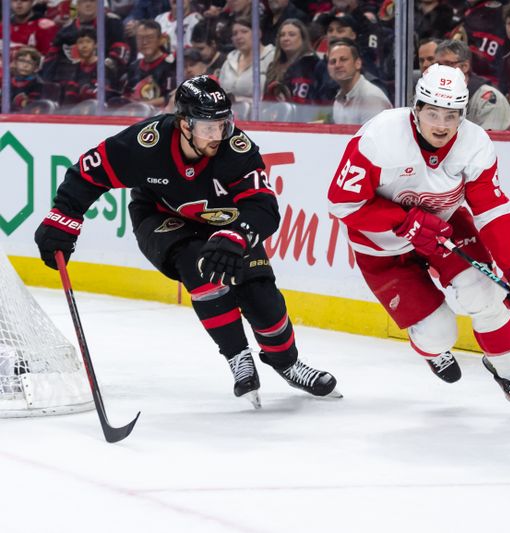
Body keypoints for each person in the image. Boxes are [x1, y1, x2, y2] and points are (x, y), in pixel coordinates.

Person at [34, 75, 341, 407]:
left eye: (223, 124)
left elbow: (264, 207)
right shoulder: (145, 143)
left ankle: (287, 363)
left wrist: (236, 235)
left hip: (225, 223)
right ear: (183, 124)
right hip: (160, 218)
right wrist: (64, 217)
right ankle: (238, 357)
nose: (218, 135)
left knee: (260, 294)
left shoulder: (236, 149)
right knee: (198, 266)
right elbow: (88, 172)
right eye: (208, 128)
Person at [327, 64, 510, 418]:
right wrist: (403, 221)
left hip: (444, 229)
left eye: (451, 116)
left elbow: (492, 210)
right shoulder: (379, 137)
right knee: (439, 333)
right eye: (432, 113)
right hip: (381, 246)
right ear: (416, 109)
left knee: (485, 292)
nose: (441, 125)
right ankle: (432, 349)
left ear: (462, 116)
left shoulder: (474, 143)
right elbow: (342, 202)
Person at [435, 39, 510, 131]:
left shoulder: (487, 100)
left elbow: (488, 142)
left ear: (465, 67)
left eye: (448, 64)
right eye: (438, 65)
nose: (441, 70)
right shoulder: (435, 97)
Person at [328, 38, 391, 124]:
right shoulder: (338, 100)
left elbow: (372, 137)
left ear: (358, 63)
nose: (337, 65)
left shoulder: (371, 98)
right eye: (333, 61)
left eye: (343, 59)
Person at [218, 17, 276, 101]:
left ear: (258, 33)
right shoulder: (229, 61)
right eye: (235, 34)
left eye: (244, 32)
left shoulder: (271, 57)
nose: (239, 37)